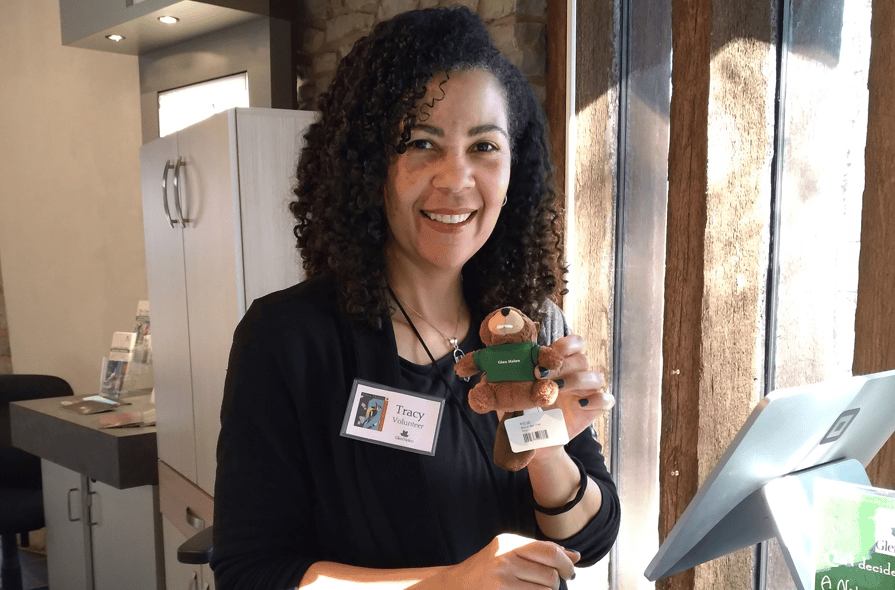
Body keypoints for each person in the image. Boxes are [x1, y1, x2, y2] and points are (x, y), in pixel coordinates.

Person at [211, 6, 620, 589]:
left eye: (484, 146)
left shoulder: (530, 326)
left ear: (515, 169)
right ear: (368, 164)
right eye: (421, 143)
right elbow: (251, 573)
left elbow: (590, 539)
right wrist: (450, 584)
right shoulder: (288, 338)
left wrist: (546, 445)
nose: (456, 179)